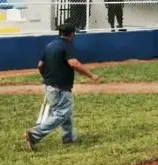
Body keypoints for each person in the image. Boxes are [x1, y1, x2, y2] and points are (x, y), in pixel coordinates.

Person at [24, 23, 101, 151]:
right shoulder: (67, 46)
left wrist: (46, 77)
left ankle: (69, 138)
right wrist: (91, 75)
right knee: (61, 114)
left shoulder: (50, 45)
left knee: (66, 112)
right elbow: (74, 63)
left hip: (50, 86)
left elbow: (40, 65)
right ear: (71, 34)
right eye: (74, 33)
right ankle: (34, 134)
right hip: (60, 87)